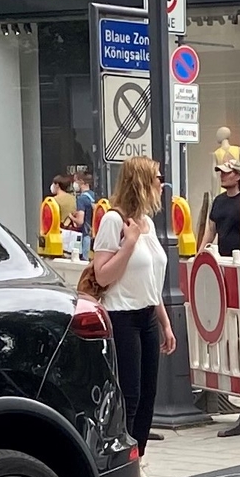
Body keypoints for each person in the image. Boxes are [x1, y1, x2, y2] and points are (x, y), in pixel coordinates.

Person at [87, 157, 175, 461]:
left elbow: (149, 280)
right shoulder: (114, 221)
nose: (161, 185)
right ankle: (122, 463)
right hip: (121, 316)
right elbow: (102, 275)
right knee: (130, 396)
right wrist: (128, 244)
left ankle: (138, 460)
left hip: (147, 315)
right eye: (157, 179)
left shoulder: (148, 223)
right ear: (141, 183)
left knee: (148, 397)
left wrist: (164, 323)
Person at [206, 163, 240, 258]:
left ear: (237, 176)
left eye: (226, 173)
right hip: (222, 257)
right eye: (221, 173)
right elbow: (211, 231)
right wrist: (200, 252)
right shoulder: (218, 200)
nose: (222, 176)